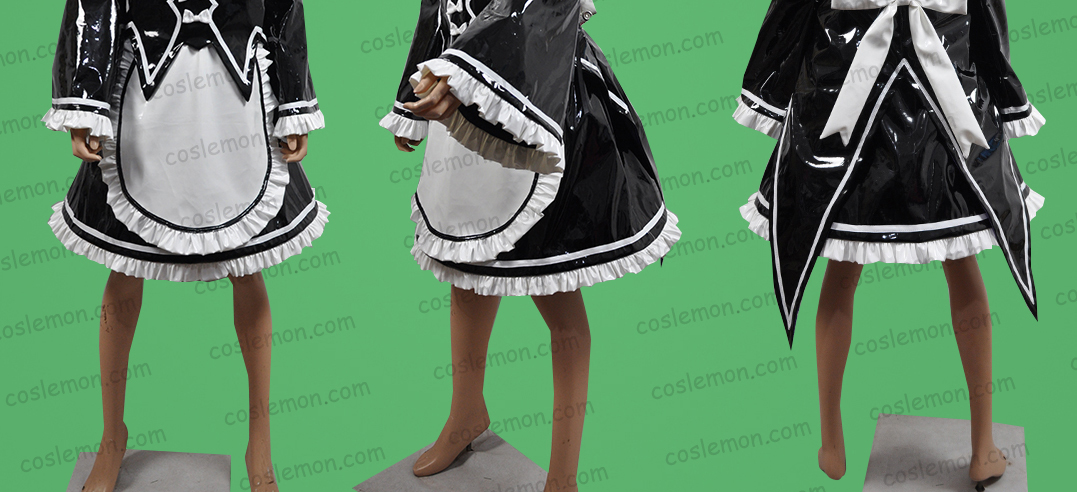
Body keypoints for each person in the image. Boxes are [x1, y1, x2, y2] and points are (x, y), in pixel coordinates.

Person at [733, 0, 1044, 483]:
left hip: (853, 108)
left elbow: (791, 15)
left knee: (842, 268)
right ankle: (982, 446)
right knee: (961, 264)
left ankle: (831, 441)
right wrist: (1002, 88)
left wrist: (768, 91)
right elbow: (986, 18)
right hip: (933, 108)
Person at [380, 1, 680, 490]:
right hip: (461, 108)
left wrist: (456, 81)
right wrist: (412, 98)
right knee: (467, 264)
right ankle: (465, 412)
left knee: (556, 287)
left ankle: (563, 476)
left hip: (543, 102)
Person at [44, 1, 328, 490]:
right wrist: (85, 98)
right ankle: (112, 437)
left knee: (247, 266)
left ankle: (260, 443)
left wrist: (294, 101)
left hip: (236, 95)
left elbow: (284, 7)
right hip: (146, 94)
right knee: (124, 266)